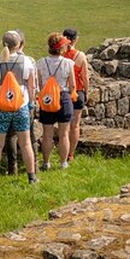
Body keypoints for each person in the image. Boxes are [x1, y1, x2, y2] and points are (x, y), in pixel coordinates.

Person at [0, 30, 38, 186]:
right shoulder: (27, 61)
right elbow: (32, 86)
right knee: (25, 143)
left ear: (2, 43)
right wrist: (31, 104)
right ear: (18, 44)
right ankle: (31, 176)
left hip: (1, 107)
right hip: (21, 106)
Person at [36, 32, 76, 170]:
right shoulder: (68, 63)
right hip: (63, 96)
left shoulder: (41, 63)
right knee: (64, 133)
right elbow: (72, 85)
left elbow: (40, 84)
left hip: (47, 99)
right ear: (61, 48)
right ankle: (63, 162)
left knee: (47, 133)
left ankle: (46, 162)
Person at [4, 30, 37, 175]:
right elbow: (33, 84)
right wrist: (32, 101)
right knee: (29, 136)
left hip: (6, 101)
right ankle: (33, 165)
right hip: (24, 102)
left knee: (10, 136)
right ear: (22, 44)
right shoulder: (29, 61)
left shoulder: (0, 59)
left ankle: (13, 167)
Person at [63, 27, 89, 163]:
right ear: (75, 40)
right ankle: (70, 154)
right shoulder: (80, 56)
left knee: (63, 126)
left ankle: (63, 151)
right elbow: (85, 77)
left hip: (62, 92)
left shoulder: (60, 55)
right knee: (75, 125)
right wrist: (87, 91)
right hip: (77, 92)